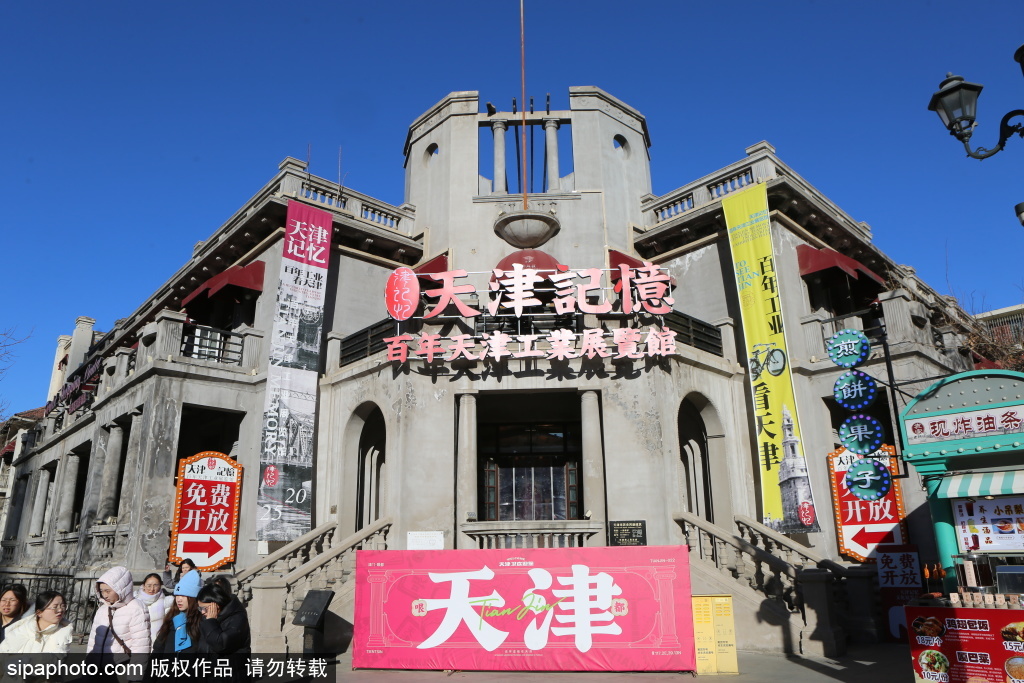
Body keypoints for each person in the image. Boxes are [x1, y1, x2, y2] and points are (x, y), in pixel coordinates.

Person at [87, 566, 151, 661]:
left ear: (121, 589)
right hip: (98, 665)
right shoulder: (102, 609)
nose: (104, 595)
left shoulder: (136, 609)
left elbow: (141, 647)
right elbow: (92, 641)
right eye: (101, 591)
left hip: (121, 665)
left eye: (108, 591)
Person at [0, 591, 73, 653]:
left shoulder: (64, 632)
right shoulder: (19, 630)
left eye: (63, 606)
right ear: (39, 612)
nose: (60, 610)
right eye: (55, 607)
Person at [152, 570, 201, 653]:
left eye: (183, 596)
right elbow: (158, 648)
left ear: (193, 598)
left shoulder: (200, 620)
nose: (179, 599)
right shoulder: (171, 617)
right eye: (177, 595)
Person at [196, 582, 250, 654]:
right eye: (200, 608)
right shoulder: (207, 618)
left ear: (216, 605)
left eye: (205, 608)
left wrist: (211, 622)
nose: (202, 612)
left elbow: (220, 645)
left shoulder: (238, 619)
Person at [134, 573, 173, 644]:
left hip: (158, 643)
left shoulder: (166, 602)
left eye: (155, 585)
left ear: (160, 586)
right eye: (149, 585)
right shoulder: (135, 601)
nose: (152, 589)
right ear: (144, 585)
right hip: (138, 642)